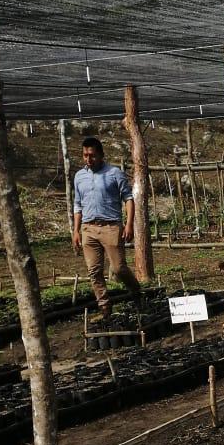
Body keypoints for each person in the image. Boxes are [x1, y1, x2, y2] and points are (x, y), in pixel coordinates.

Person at [72, 135, 142, 319]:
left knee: (119, 269)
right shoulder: (79, 177)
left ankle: (136, 290)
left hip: (111, 227)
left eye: (92, 155)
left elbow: (128, 198)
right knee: (94, 271)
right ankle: (105, 308)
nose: (88, 159)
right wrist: (76, 231)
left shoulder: (114, 173)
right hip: (88, 228)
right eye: (85, 155)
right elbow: (77, 205)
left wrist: (128, 225)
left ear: (101, 155)